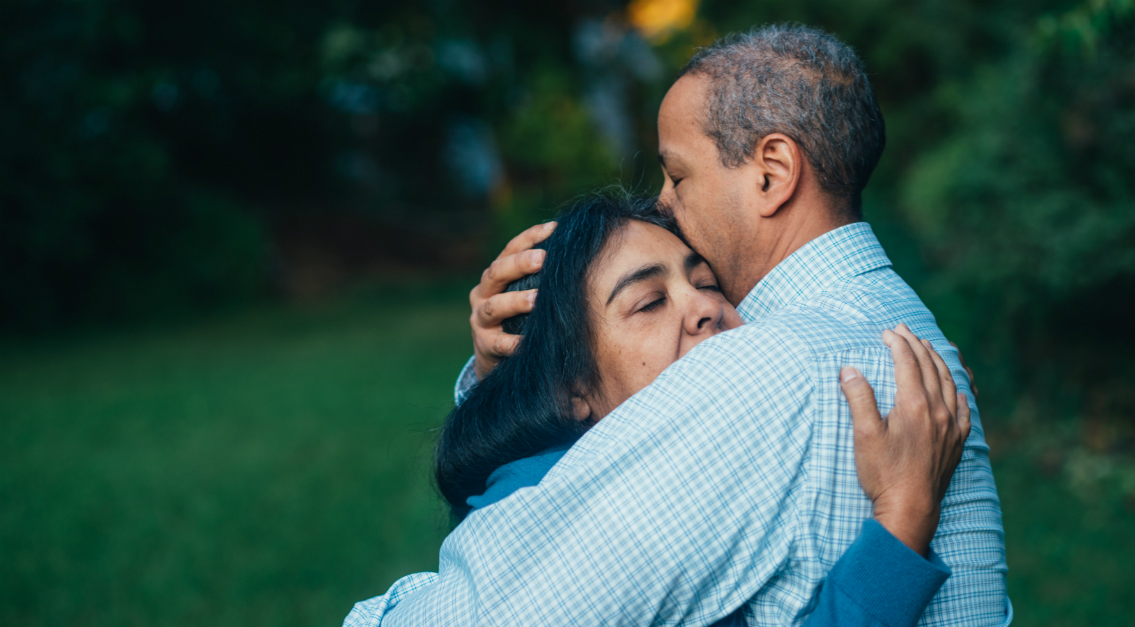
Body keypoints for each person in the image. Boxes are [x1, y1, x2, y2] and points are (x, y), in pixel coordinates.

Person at [359, 24, 1009, 626]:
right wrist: (511, 379)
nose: (665, 204)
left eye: (677, 175)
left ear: (772, 173)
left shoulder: (767, 368)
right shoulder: (906, 333)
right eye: (649, 300)